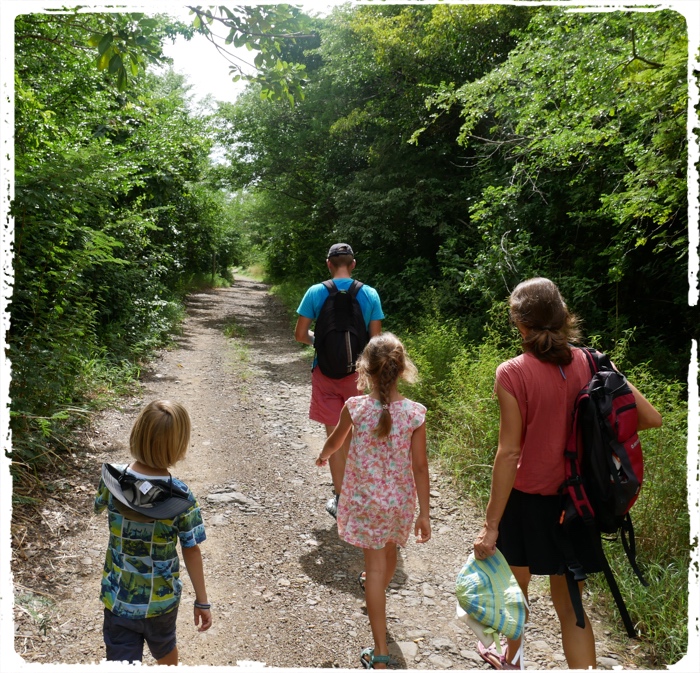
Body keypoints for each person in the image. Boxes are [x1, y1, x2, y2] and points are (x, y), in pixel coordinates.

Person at [473, 278, 662, 670]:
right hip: (577, 502)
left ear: (519, 324)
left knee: (515, 592)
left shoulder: (512, 372)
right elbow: (650, 418)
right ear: (564, 317)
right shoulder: (594, 362)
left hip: (525, 503)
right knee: (572, 607)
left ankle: (512, 662)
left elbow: (509, 453)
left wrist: (491, 525)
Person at [316, 332, 431, 669]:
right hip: (398, 504)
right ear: (402, 369)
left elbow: (335, 442)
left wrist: (323, 455)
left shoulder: (355, 408)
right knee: (389, 552)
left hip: (366, 503)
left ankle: (380, 651)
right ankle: (375, 587)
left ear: (364, 369)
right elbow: (420, 467)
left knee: (375, 569)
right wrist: (425, 513)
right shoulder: (415, 414)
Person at [94, 400, 212, 665]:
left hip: (119, 598)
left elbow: (98, 506)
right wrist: (202, 602)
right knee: (165, 648)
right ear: (179, 445)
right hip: (162, 601)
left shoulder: (112, 481)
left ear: (137, 432)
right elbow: (191, 549)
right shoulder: (180, 497)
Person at [296, 243, 384, 519]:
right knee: (361, 434)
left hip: (325, 373)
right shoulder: (369, 293)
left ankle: (340, 498)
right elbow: (376, 342)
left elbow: (300, 334)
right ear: (353, 264)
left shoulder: (315, 291)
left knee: (335, 435)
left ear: (328, 264)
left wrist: (319, 342)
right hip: (358, 375)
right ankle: (364, 494)